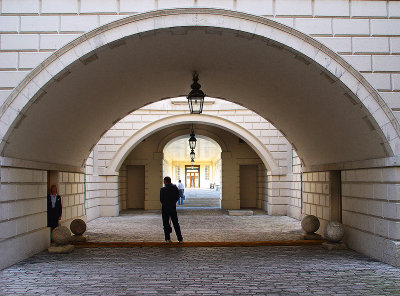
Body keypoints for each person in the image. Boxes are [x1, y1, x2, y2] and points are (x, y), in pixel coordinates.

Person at [160, 176, 183, 243]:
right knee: (176, 224)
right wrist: (172, 203)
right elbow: (177, 197)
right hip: (172, 208)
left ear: (165, 181)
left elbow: (161, 200)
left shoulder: (162, 189)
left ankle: (167, 239)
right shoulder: (175, 188)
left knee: (166, 224)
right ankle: (180, 239)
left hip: (165, 209)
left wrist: (165, 204)